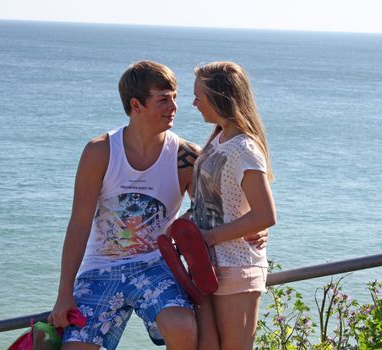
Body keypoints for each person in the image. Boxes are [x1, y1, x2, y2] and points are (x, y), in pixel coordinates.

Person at [48, 60, 200, 350]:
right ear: (136, 104)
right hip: (100, 268)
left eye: (175, 98)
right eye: (163, 100)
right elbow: (79, 224)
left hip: (155, 267)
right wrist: (64, 293)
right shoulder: (100, 151)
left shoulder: (187, 156)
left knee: (183, 328)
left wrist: (249, 229)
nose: (174, 107)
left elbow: (207, 213)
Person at [191, 61, 277, 350]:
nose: (194, 103)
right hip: (210, 265)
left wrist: (207, 238)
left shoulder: (245, 149)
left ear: (219, 97)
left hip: (236, 267)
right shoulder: (218, 138)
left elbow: (265, 214)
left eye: (198, 97)